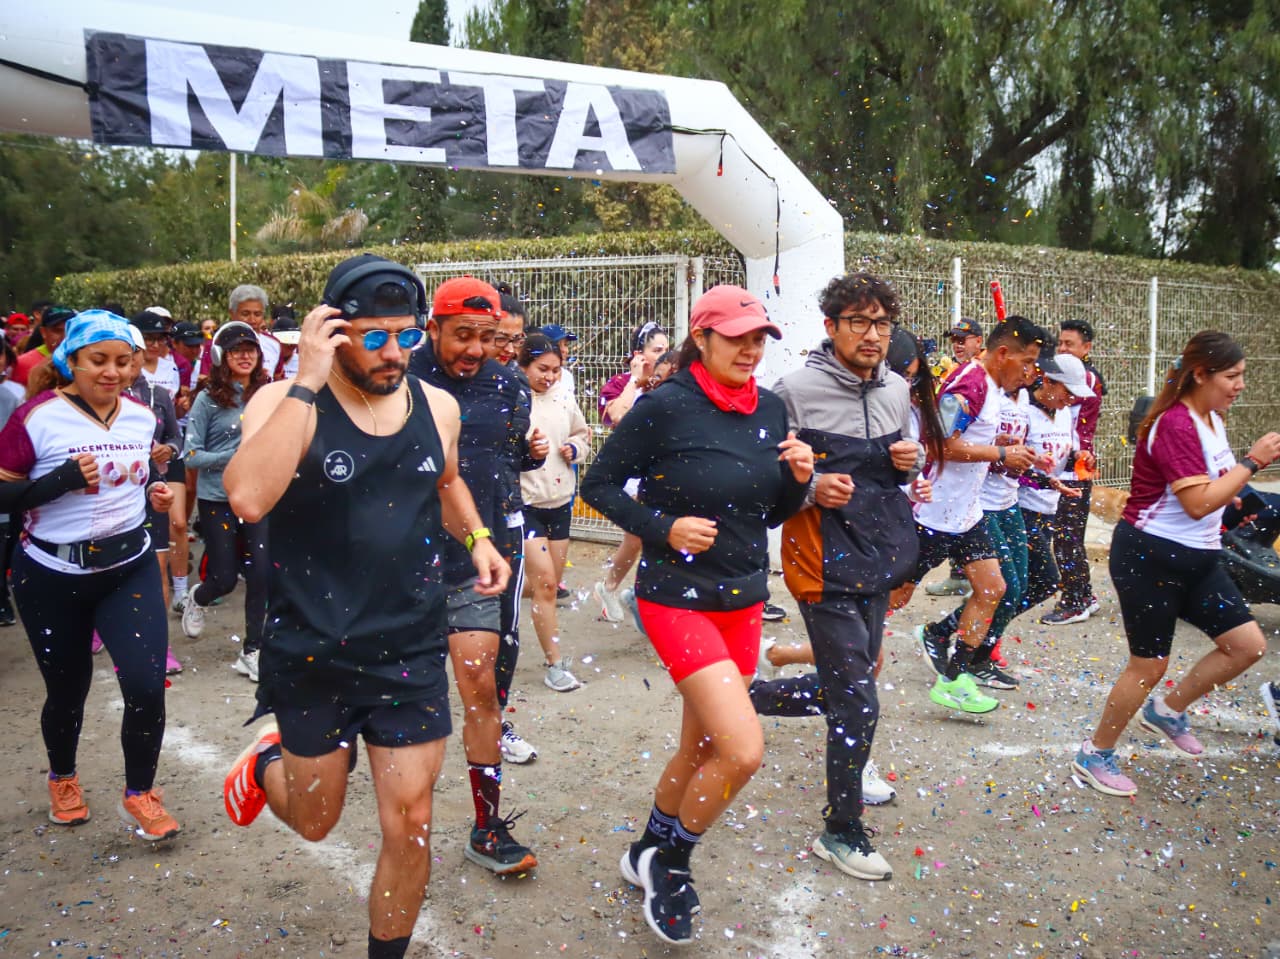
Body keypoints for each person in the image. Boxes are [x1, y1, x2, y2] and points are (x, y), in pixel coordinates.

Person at [220, 254, 507, 959]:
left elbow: (441, 481)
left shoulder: (437, 406)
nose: (392, 353)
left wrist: (476, 536)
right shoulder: (282, 400)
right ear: (331, 331)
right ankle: (266, 766)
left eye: (405, 337)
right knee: (316, 820)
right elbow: (248, 496)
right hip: (312, 646)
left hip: (407, 643)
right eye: (372, 337)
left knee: (411, 820)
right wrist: (308, 381)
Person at [583, 285, 813, 945]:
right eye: (737, 335)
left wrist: (796, 477)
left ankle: (646, 848)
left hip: (742, 598)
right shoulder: (664, 406)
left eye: (759, 336)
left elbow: (765, 511)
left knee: (703, 746)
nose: (750, 347)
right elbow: (596, 485)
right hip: (675, 598)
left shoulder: (770, 408)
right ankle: (672, 862)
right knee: (743, 749)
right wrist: (664, 527)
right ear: (703, 337)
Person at [766, 272, 928, 882]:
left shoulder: (894, 392)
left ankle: (736, 697)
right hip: (820, 562)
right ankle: (841, 829)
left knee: (850, 686)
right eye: (858, 322)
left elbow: (894, 472)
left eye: (882, 324)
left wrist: (905, 463)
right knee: (857, 700)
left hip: (878, 556)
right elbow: (764, 483)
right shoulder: (793, 392)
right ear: (830, 327)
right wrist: (809, 488)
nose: (872, 335)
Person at [1072, 331, 1280, 797]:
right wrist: (1253, 462)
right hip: (1149, 557)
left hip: (1199, 557)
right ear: (1201, 374)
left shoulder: (1211, 418)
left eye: (1242, 375)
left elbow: (1219, 490)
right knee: (1148, 665)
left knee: (1246, 646)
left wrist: (1243, 500)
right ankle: (1094, 753)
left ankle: (1165, 712)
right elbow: (1198, 503)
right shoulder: (1175, 424)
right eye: (1232, 376)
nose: (1240, 385)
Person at [0, 310, 180, 840]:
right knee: (67, 689)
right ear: (71, 360)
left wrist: (154, 495)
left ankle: (140, 793)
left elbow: (133, 481)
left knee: (147, 686)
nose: (113, 372)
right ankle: (63, 778)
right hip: (51, 574)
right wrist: (55, 482)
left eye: (125, 362)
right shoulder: (36, 417)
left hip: (129, 567)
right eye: (98, 360)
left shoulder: (142, 417)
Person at [409, 275, 542, 876]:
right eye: (461, 335)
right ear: (433, 326)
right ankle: (402, 814)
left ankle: (486, 827)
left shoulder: (510, 382)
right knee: (404, 702)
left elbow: (503, 461)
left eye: (486, 338)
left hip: (473, 560)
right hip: (400, 569)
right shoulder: (401, 377)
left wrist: (533, 455)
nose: (473, 349)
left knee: (482, 690)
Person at [894, 316, 1044, 714]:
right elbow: (941, 443)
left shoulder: (992, 386)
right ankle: (842, 653)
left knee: (993, 589)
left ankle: (955, 679)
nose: (1030, 373)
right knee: (894, 597)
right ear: (1002, 354)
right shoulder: (971, 382)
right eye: (1026, 361)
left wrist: (999, 442)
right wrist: (1000, 453)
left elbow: (970, 436)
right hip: (933, 513)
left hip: (967, 515)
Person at [180, 322, 270, 682]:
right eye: (236, 350)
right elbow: (190, 456)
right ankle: (197, 598)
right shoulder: (208, 399)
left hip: (258, 495)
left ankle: (253, 650)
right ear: (221, 356)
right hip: (217, 497)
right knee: (225, 579)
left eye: (251, 349)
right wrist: (232, 453)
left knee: (262, 574)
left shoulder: (267, 392)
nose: (245, 355)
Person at [519, 333, 590, 692]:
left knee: (542, 585)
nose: (549, 377)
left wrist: (575, 448)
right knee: (546, 584)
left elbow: (583, 433)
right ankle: (555, 664)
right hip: (525, 504)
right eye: (542, 369)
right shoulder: (513, 400)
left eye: (556, 370)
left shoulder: (564, 397)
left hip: (560, 502)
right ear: (523, 366)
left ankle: (502, 588)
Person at [593, 321, 670, 623]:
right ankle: (612, 588)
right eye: (657, 350)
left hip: (666, 470)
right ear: (638, 354)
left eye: (667, 349)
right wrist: (635, 382)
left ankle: (642, 595)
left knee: (659, 537)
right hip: (632, 476)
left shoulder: (669, 382)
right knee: (638, 536)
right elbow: (617, 417)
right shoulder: (618, 384)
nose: (663, 355)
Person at [122, 338, 184, 675]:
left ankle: (161, 646)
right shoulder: (100, 398)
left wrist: (169, 451)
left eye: (133, 354)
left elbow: (176, 437)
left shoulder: (158, 395)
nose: (129, 361)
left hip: (151, 490)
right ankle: (100, 629)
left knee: (157, 567)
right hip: (112, 498)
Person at [1042, 318, 1107, 624]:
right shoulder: (1057, 378)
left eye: (1070, 344)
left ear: (1087, 348)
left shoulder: (1087, 380)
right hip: (1060, 468)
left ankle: (1075, 600)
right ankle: (1083, 594)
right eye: (1061, 343)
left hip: (1076, 468)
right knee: (1066, 538)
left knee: (1067, 538)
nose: (1063, 349)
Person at [927, 316, 986, 598]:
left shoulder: (977, 376)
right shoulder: (956, 371)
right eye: (954, 340)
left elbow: (948, 437)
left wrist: (997, 450)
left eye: (964, 340)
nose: (958, 345)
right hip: (944, 474)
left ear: (979, 341)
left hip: (968, 471)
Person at [228, 284, 281, 382]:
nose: (252, 320)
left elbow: (278, 379)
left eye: (257, 314)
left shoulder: (274, 344)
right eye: (245, 314)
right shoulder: (218, 342)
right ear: (232, 313)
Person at [13, 305, 73, 389]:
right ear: (43, 332)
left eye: (70, 330)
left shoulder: (83, 360)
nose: (64, 336)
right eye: (57, 331)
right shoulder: (23, 363)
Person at [541, 322, 578, 398]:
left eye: (565, 345)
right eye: (558, 345)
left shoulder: (567, 376)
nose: (565, 350)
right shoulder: (536, 375)